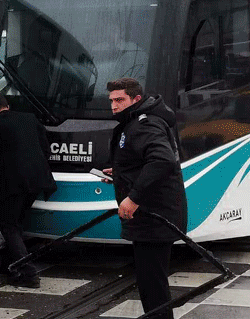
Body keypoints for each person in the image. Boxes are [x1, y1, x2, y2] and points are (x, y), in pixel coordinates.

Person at [95, 78, 187, 319]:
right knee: (150, 282)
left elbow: (162, 160)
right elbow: (143, 160)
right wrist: (121, 174)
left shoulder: (145, 124)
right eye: (111, 101)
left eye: (119, 100)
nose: (114, 106)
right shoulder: (134, 121)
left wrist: (133, 198)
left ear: (136, 99)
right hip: (151, 217)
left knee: (153, 285)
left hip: (154, 216)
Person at [0, 92, 57, 288]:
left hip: (14, 181)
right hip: (38, 179)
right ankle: (7, 264)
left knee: (8, 225)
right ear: (7, 106)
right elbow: (46, 149)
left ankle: (28, 273)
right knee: (16, 222)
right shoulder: (30, 118)